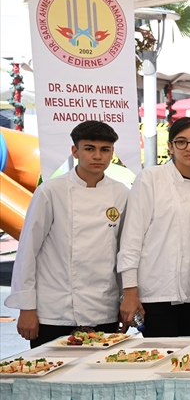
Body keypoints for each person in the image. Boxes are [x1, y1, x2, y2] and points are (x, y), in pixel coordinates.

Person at [7, 121, 128, 347]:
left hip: (103, 308)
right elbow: (27, 251)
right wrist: (27, 309)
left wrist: (124, 302)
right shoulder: (51, 191)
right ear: (75, 151)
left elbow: (123, 253)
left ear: (112, 152)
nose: (97, 156)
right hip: (54, 310)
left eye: (105, 150)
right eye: (89, 148)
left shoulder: (121, 193)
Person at [118, 117, 190, 337]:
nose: (189, 148)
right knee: (159, 362)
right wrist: (129, 292)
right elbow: (131, 239)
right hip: (155, 294)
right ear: (170, 146)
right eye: (181, 142)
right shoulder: (150, 179)